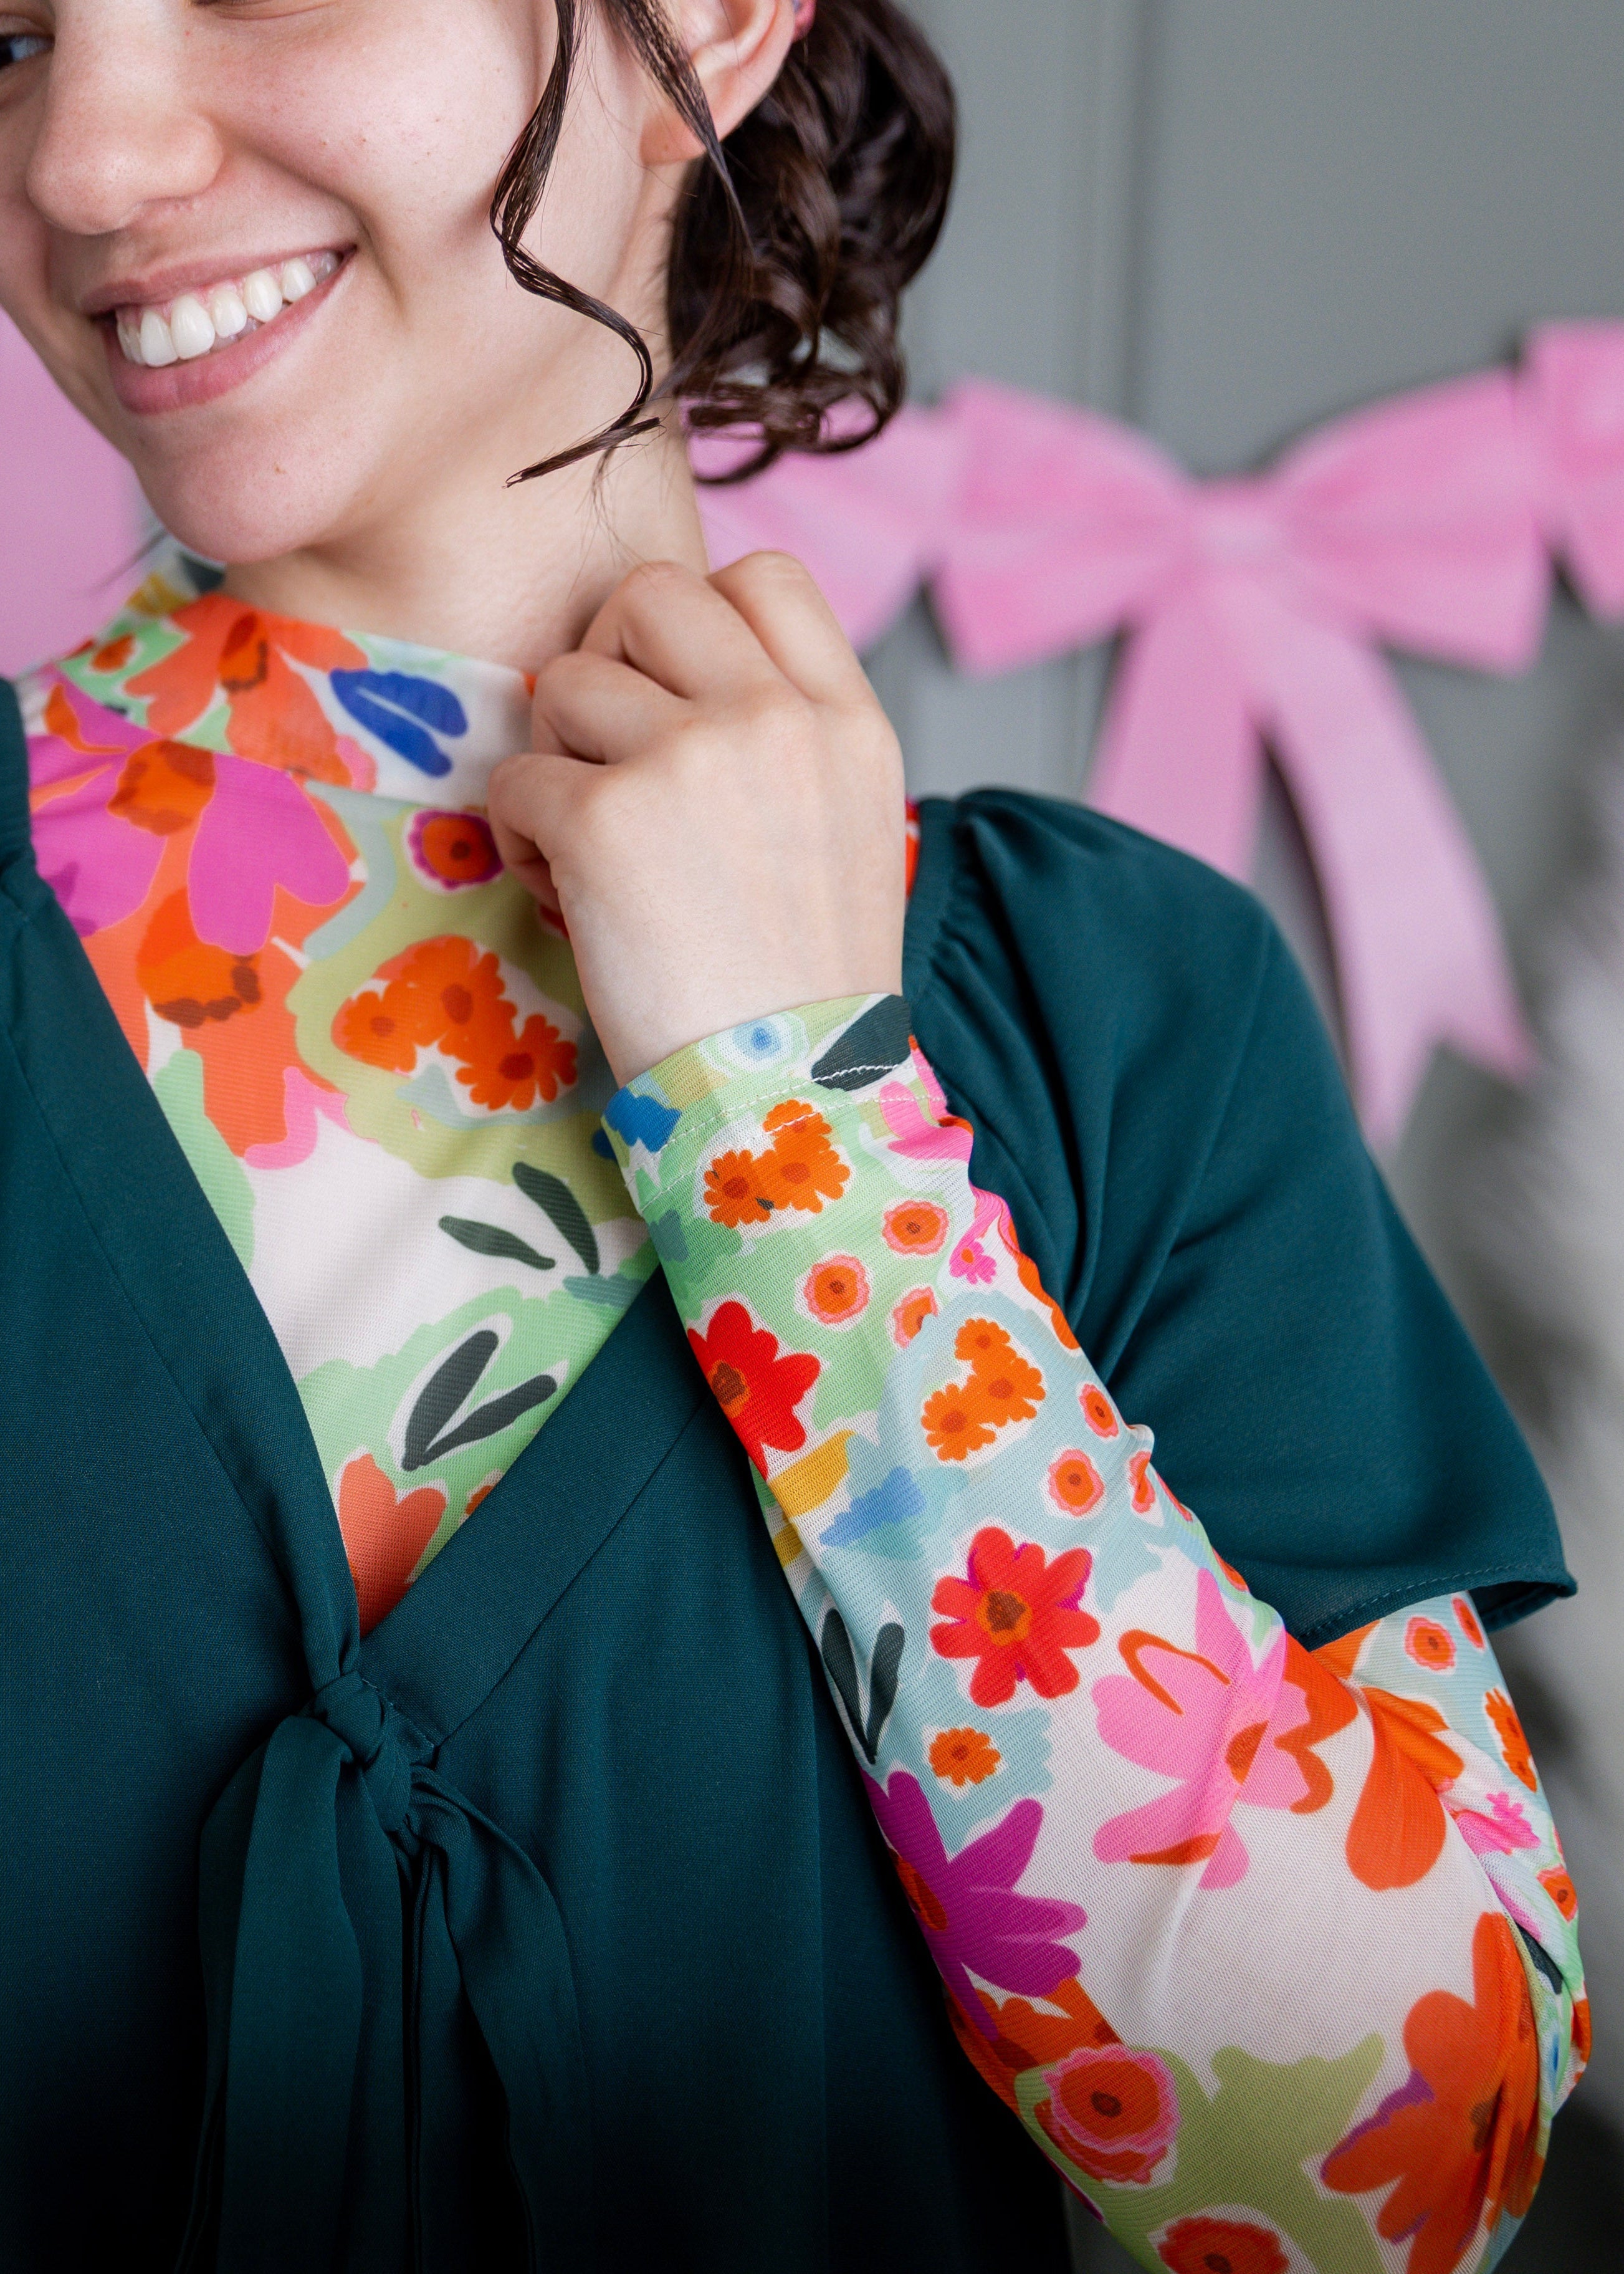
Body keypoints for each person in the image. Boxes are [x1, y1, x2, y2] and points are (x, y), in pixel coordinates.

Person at [0, 1, 1587, 2268]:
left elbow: (1399, 2174)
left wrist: (794, 1119)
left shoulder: (1116, 1005)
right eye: (8, 35)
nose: (82, 154)